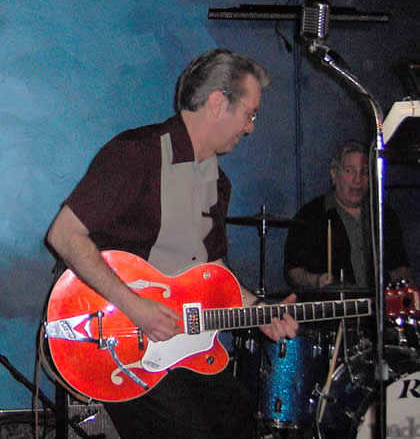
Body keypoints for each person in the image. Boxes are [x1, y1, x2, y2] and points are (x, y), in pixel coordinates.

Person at [46, 48, 298, 439]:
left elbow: (213, 269)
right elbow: (63, 235)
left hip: (174, 343)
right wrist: (135, 306)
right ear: (218, 103)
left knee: (239, 416)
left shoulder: (217, 182)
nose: (250, 128)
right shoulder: (137, 154)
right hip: (109, 337)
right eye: (249, 114)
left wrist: (258, 310)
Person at [284, 140, 414, 290]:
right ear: (334, 174)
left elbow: (400, 266)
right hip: (333, 304)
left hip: (377, 303)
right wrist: (317, 280)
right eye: (349, 171)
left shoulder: (384, 215)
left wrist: (403, 282)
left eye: (364, 172)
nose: (357, 180)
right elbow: (294, 271)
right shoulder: (310, 215)